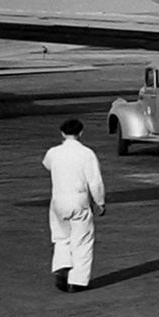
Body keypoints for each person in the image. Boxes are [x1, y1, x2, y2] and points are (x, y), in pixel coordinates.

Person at [42, 118, 106, 292]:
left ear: (62, 133)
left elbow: (47, 165)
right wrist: (100, 202)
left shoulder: (53, 152)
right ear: (81, 133)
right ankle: (77, 281)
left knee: (61, 237)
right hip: (79, 200)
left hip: (58, 200)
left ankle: (62, 266)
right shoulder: (86, 154)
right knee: (82, 240)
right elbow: (95, 182)